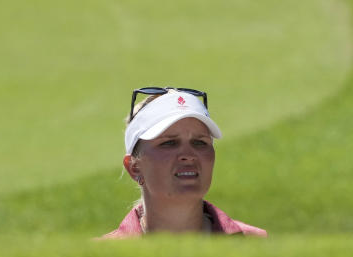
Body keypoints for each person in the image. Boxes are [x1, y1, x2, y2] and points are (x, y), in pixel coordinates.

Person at [100, 86, 267, 238]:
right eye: (169, 143)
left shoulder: (256, 243)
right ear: (134, 167)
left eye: (200, 142)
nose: (188, 155)